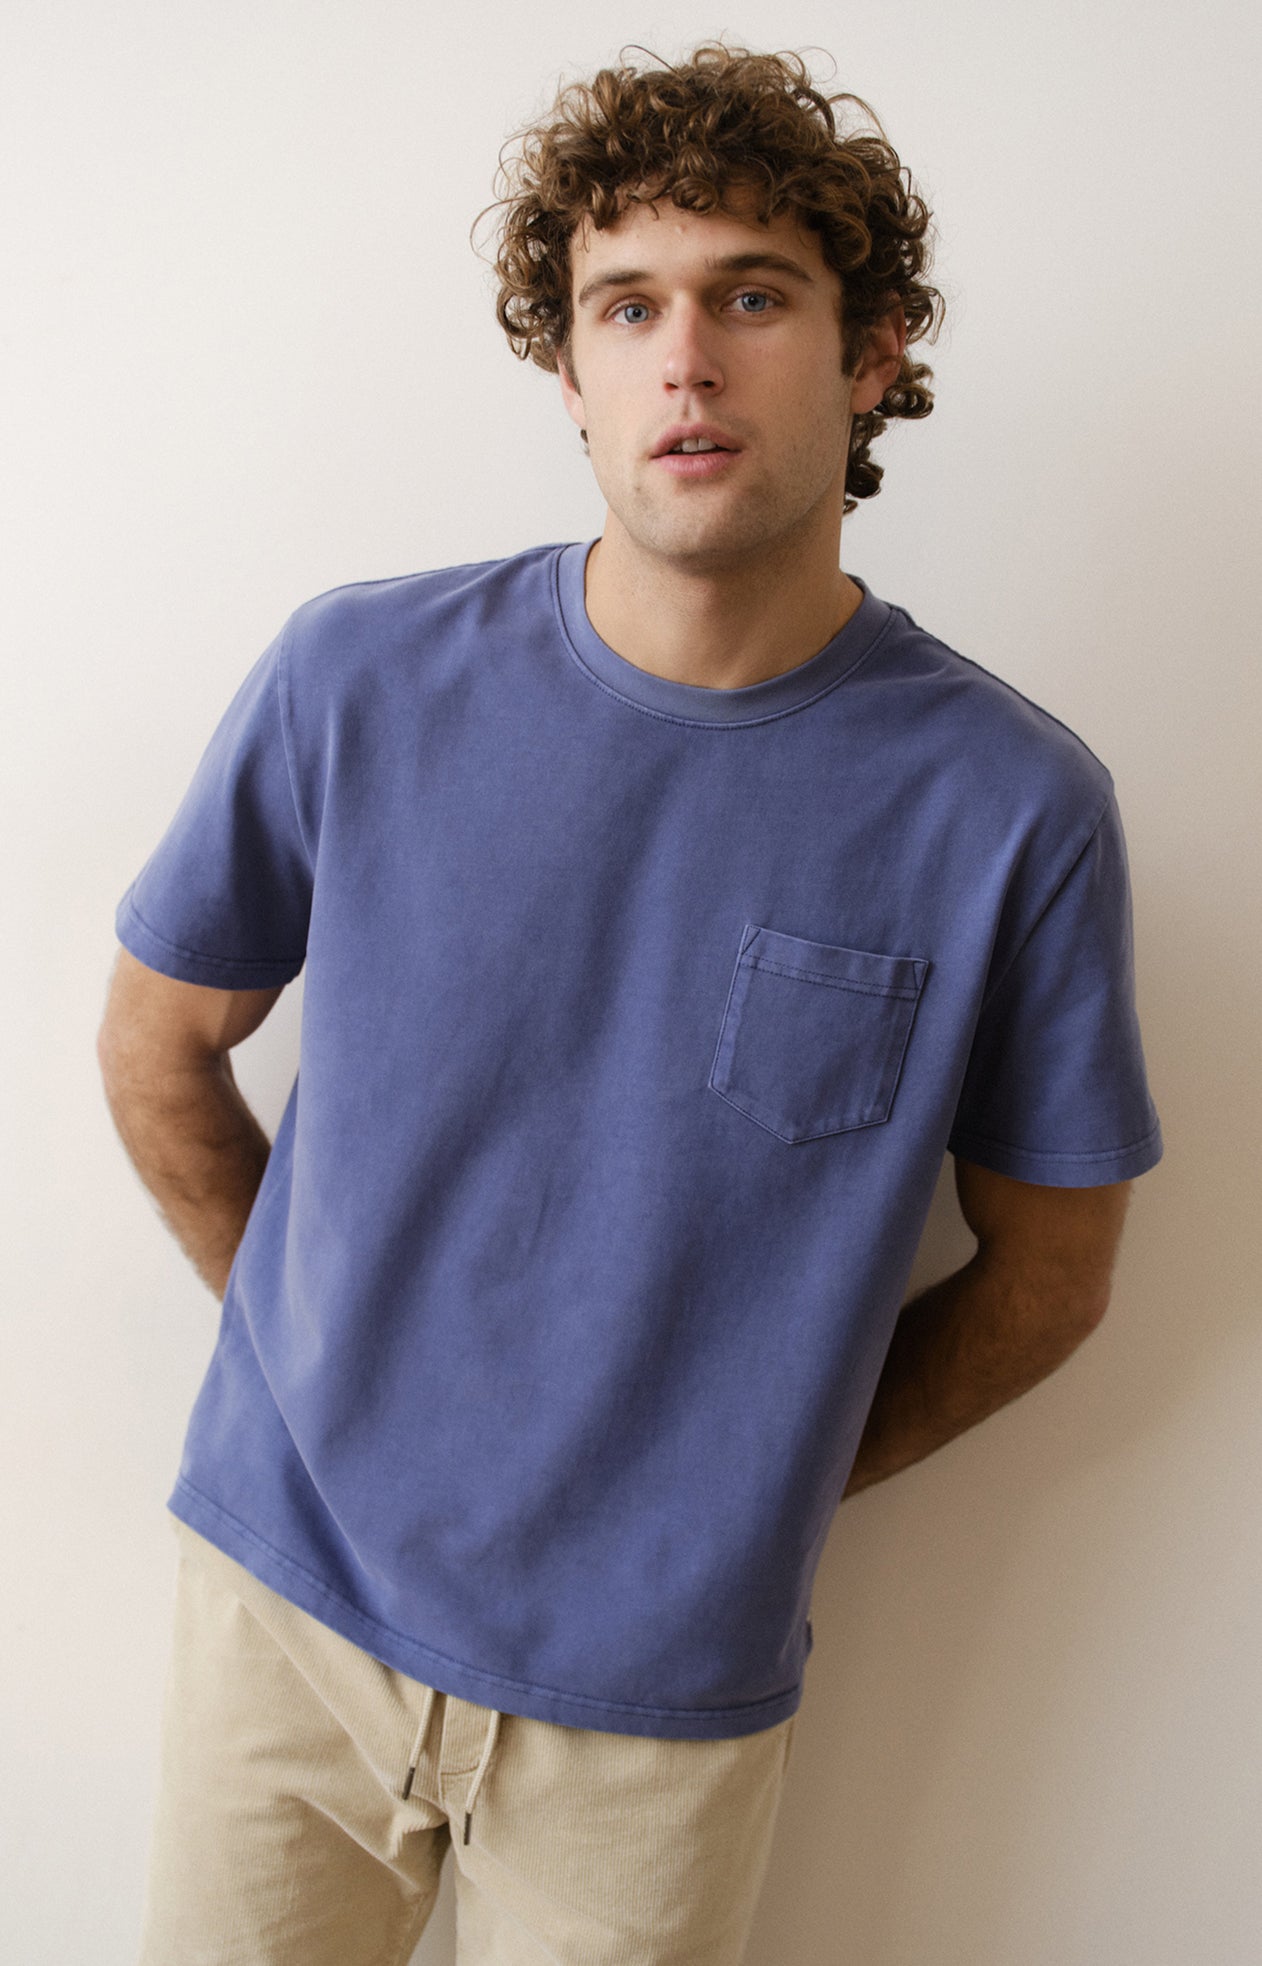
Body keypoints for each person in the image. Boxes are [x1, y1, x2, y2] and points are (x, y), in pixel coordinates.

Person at [97, 38, 1164, 1966]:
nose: (685, 360)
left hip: (654, 1719)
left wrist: (747, 1483)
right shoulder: (357, 679)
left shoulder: (1009, 809)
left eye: (751, 297)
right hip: (282, 1617)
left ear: (871, 354)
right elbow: (158, 1039)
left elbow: (1052, 1273)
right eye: (627, 305)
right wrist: (324, 1367)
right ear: (570, 369)